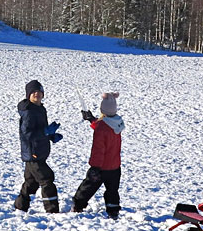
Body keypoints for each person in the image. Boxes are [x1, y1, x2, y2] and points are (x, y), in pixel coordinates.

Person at [71, 91, 123, 219]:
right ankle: (113, 210)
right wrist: (91, 119)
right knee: (112, 191)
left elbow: (98, 149)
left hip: (101, 167)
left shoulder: (102, 127)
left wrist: (95, 167)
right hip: (115, 167)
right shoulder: (117, 122)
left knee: (88, 187)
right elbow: (105, 128)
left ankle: (77, 205)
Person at [14, 79, 61, 213]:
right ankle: (52, 210)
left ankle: (20, 206)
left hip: (39, 152)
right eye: (33, 92)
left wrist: (51, 136)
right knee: (47, 179)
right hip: (33, 153)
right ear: (28, 95)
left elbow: (40, 129)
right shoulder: (28, 111)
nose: (37, 94)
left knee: (31, 183)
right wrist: (45, 132)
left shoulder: (40, 109)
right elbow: (27, 134)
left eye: (39, 92)